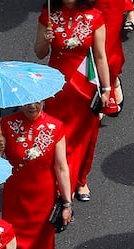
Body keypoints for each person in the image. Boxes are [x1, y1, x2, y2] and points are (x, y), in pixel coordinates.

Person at [0, 101, 73, 249]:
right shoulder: (6, 124)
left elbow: (62, 167)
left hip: (43, 200)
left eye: (37, 102)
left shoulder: (56, 127)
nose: (32, 106)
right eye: (27, 103)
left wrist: (67, 203)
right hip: (15, 199)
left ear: (44, 101)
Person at [35, 0, 113, 202]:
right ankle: (60, 185)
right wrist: (45, 39)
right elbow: (40, 53)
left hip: (84, 86)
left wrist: (106, 89)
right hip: (56, 87)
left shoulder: (94, 16)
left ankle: (81, 180)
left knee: (85, 137)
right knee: (58, 139)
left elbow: (101, 56)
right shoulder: (49, 14)